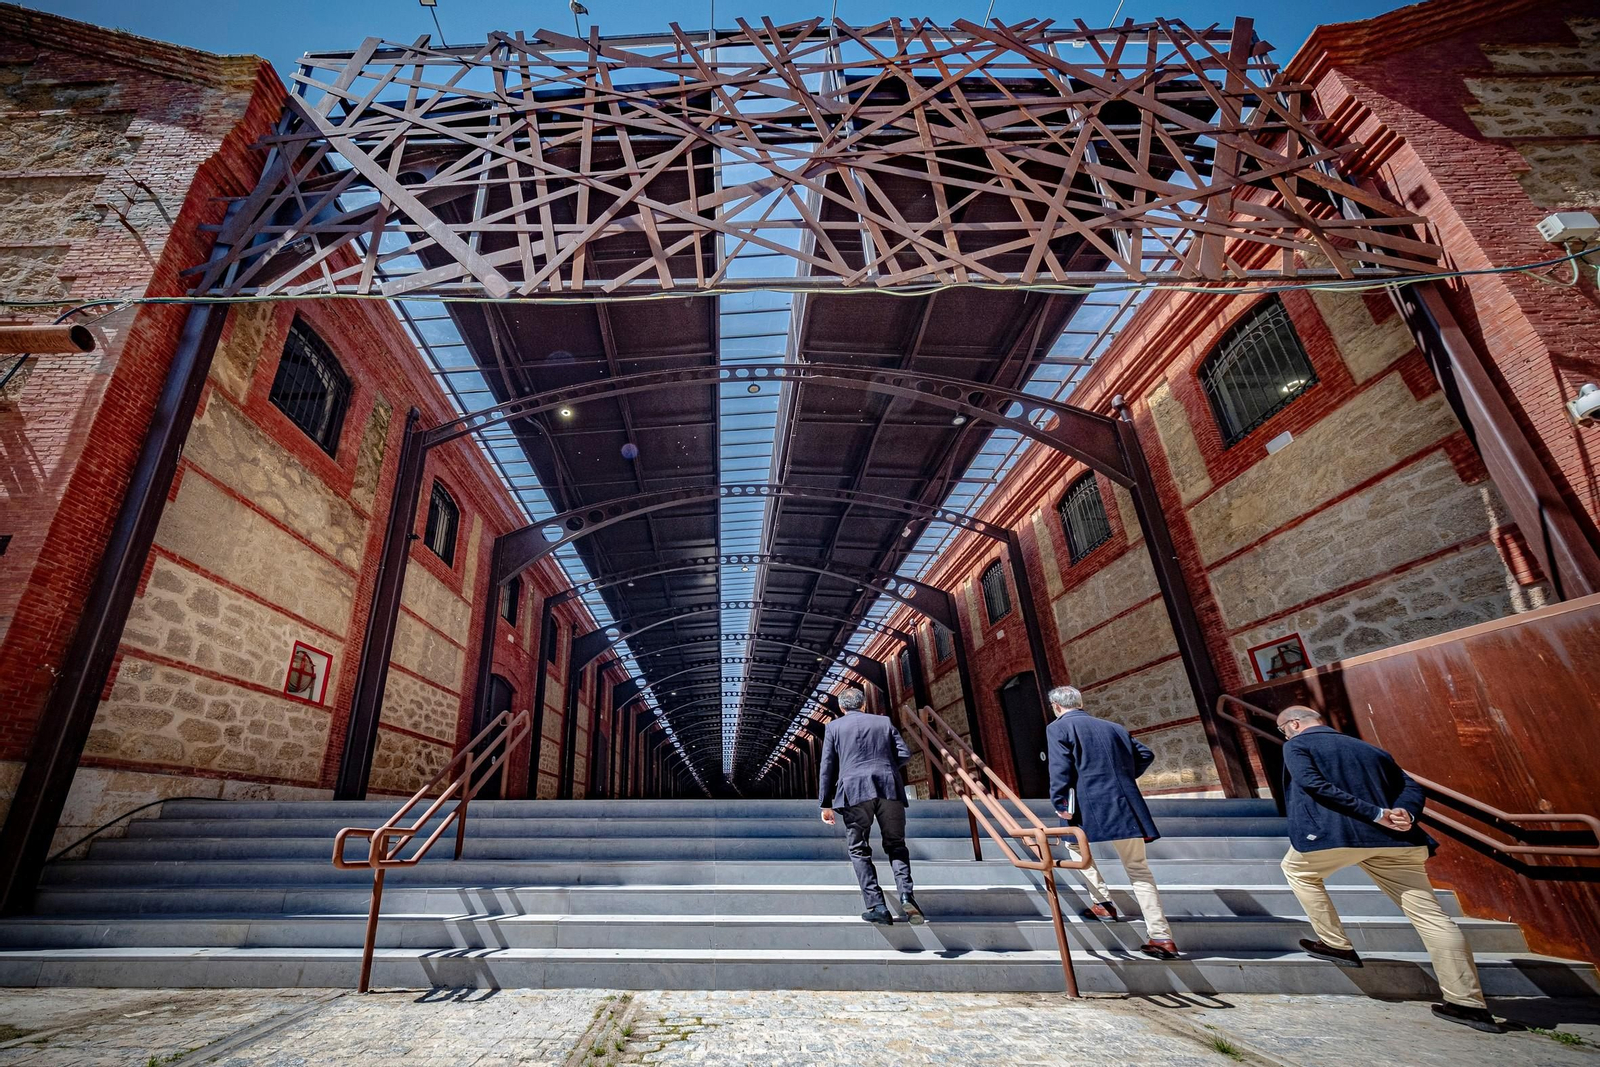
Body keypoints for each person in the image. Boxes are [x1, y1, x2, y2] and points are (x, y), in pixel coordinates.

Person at [1275, 704, 1500, 1034]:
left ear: (1294, 724)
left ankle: (1336, 943)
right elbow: (1411, 788)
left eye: (1284, 730)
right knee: (1430, 915)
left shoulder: (1297, 744)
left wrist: (1375, 813)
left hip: (1339, 834)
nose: (1285, 735)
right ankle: (1468, 1003)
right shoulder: (1371, 749)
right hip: (1397, 840)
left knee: (1296, 870)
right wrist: (1404, 814)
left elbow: (1312, 784)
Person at [1045, 684, 1178, 960]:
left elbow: (1060, 767)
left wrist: (1060, 802)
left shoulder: (1058, 727)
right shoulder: (1113, 726)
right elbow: (1146, 754)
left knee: (1077, 849)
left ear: (1057, 707)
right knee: (1139, 869)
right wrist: (1123, 777)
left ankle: (1102, 902)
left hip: (1087, 803)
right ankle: (1162, 937)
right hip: (1125, 803)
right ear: (1079, 703)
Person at [818, 688, 924, 925]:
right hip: (888, 788)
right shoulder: (884, 722)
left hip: (854, 793)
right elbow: (905, 754)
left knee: (858, 849)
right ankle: (907, 894)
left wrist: (825, 803)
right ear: (864, 705)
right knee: (896, 845)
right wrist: (885, 768)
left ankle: (877, 905)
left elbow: (827, 767)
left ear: (842, 708)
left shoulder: (834, 728)